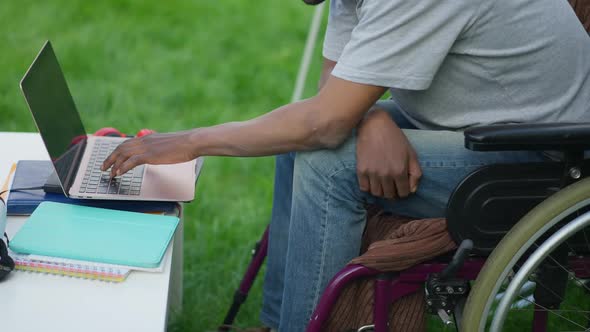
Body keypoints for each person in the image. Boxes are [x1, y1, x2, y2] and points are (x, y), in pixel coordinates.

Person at [102, 0, 590, 330]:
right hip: (490, 128)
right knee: (300, 143)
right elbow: (327, 107)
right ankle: (279, 322)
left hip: (548, 157)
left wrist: (190, 141)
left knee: (326, 163)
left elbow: (325, 124)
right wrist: (369, 115)